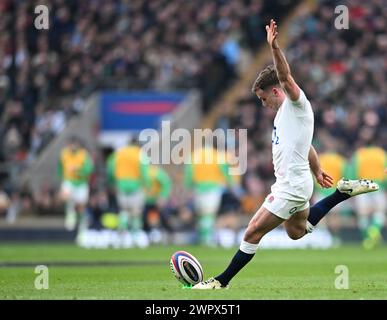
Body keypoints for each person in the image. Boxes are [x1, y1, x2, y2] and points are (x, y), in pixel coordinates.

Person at [193, 19, 379, 289]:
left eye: (263, 97)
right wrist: (317, 170)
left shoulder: (296, 102)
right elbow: (307, 145)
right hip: (294, 181)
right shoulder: (284, 115)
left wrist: (274, 47)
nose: (262, 103)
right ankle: (342, 193)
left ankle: (221, 282)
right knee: (296, 232)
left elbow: (285, 76)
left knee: (253, 230)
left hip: (291, 186)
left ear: (276, 91)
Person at [184, 142, 234, 245]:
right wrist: (230, 184)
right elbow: (224, 171)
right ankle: (207, 239)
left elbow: (189, 172)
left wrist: (188, 186)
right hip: (213, 188)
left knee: (201, 215)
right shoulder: (218, 156)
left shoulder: (194, 155)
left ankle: (203, 237)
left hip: (198, 188)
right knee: (209, 215)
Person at [107, 138, 151, 247]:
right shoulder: (140, 154)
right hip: (135, 184)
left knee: (124, 211)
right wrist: (147, 184)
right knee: (136, 212)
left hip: (121, 184)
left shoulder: (119, 153)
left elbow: (111, 168)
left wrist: (112, 181)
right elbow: (144, 171)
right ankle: (135, 237)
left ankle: (121, 236)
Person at [347, 145, 386, 249]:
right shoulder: (381, 154)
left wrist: (352, 190)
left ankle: (367, 239)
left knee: (363, 215)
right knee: (379, 212)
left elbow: (352, 172)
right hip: (378, 187)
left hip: (362, 187)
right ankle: (374, 231)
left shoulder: (359, 154)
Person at [58, 136, 94, 242]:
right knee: (64, 194)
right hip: (69, 181)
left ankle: (82, 230)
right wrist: (61, 177)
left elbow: (89, 169)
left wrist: (78, 170)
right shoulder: (64, 154)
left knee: (81, 208)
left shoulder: (84, 155)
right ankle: (70, 212)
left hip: (81, 183)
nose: (73, 147)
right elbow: (60, 167)